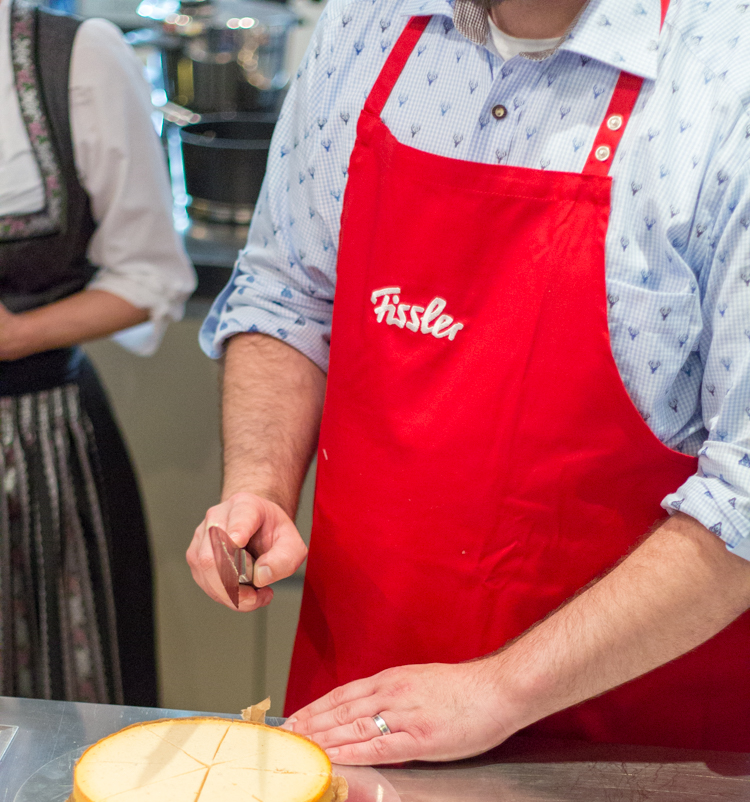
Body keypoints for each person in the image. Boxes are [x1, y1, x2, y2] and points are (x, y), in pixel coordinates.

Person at [189, 0, 750, 761]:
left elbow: (743, 496)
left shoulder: (723, 78)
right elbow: (287, 291)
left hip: (627, 761)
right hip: (362, 707)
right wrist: (259, 482)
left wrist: (500, 690)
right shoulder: (366, 24)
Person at [0, 0, 195, 705]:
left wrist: (15, 335)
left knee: (53, 714)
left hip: (34, 450)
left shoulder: (74, 58)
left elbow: (151, 276)